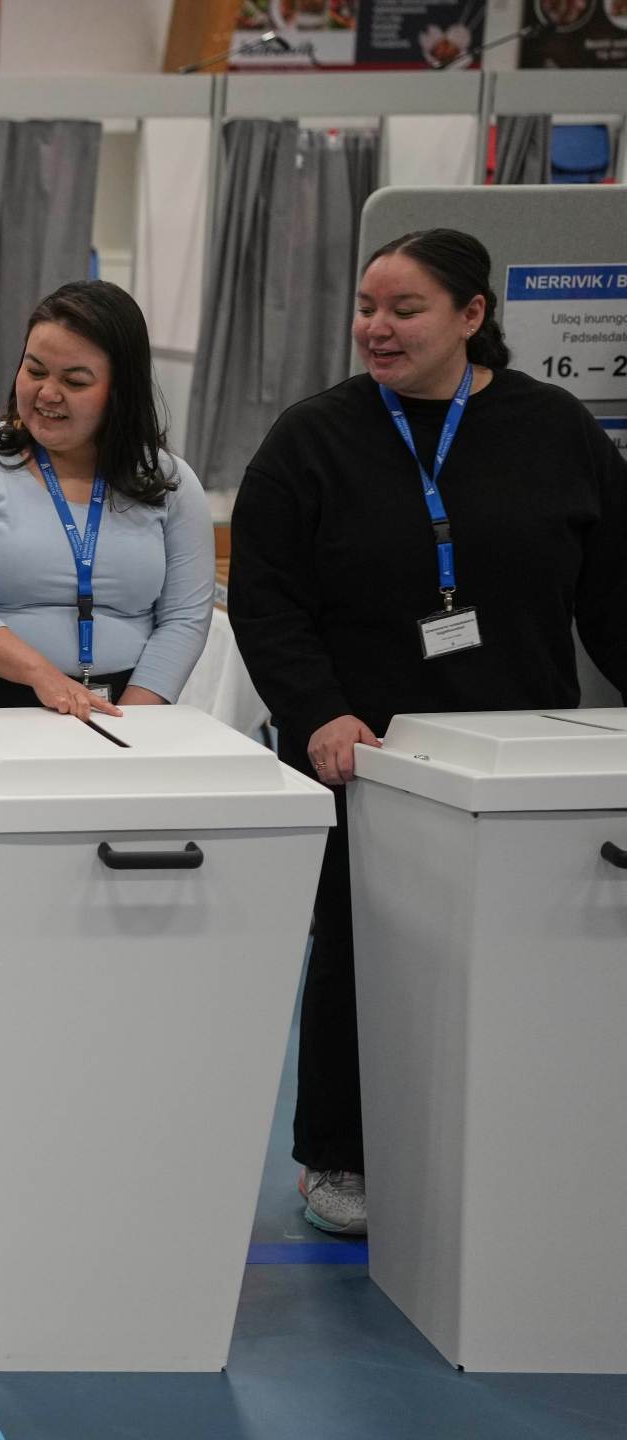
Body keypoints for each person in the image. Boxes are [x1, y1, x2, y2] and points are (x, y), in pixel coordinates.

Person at [230, 227, 627, 1237]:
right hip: (366, 755)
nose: (375, 327)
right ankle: (339, 1155)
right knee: (361, 955)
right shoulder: (312, 439)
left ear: (470, 317)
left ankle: (517, 1141)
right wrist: (316, 712)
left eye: (403, 309)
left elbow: (614, 595)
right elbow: (267, 598)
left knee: (525, 956)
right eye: (366, 307)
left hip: (521, 756)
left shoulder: (556, 433)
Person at [0, 280, 215, 730]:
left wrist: (134, 719)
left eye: (74, 381)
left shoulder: (170, 482)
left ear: (120, 391)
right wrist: (42, 676)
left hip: (125, 711)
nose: (48, 394)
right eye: (34, 371)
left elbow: (186, 617)